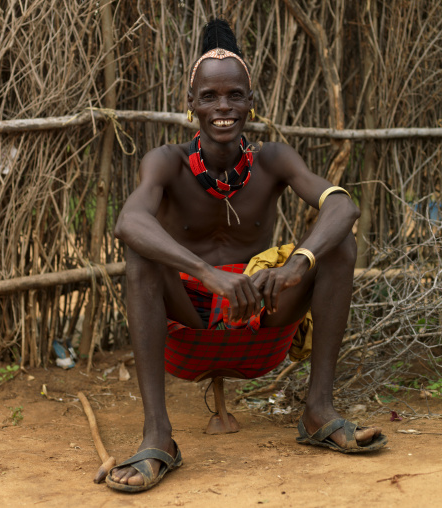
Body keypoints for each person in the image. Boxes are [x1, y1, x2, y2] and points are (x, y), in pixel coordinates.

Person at [107, 19, 387, 493]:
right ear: (191, 102)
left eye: (234, 95)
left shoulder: (274, 159)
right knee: (141, 255)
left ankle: (318, 409)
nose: (223, 107)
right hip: (187, 322)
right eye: (210, 96)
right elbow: (128, 222)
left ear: (250, 101)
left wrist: (298, 262)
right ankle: (159, 436)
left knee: (339, 244)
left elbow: (342, 204)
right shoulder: (166, 162)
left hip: (261, 318)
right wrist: (206, 273)